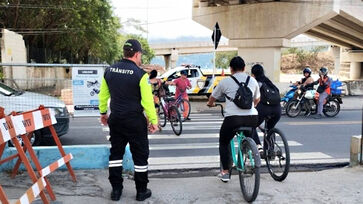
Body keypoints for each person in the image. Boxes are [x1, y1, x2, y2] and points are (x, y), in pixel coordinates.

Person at [98, 39, 158, 201]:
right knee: (140, 156)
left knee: (116, 154)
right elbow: (147, 101)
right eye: (140, 55)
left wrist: (103, 112)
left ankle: (116, 191)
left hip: (116, 119)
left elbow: (103, 95)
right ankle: (141, 191)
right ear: (137, 54)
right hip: (135, 121)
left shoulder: (109, 71)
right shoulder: (141, 75)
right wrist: (153, 121)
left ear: (124, 53)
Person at [207, 56, 260, 182]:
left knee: (224, 142)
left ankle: (225, 171)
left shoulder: (225, 82)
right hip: (252, 117)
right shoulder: (252, 81)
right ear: (244, 68)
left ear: (231, 69)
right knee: (250, 132)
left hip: (233, 119)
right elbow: (257, 99)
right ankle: (252, 150)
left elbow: (212, 98)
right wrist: (251, 106)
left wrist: (210, 104)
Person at [250, 64, 281, 155]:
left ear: (253, 74)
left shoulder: (255, 82)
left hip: (264, 109)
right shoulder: (269, 82)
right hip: (277, 110)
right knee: (270, 128)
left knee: (251, 126)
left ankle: (259, 147)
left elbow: (252, 98)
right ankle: (270, 151)